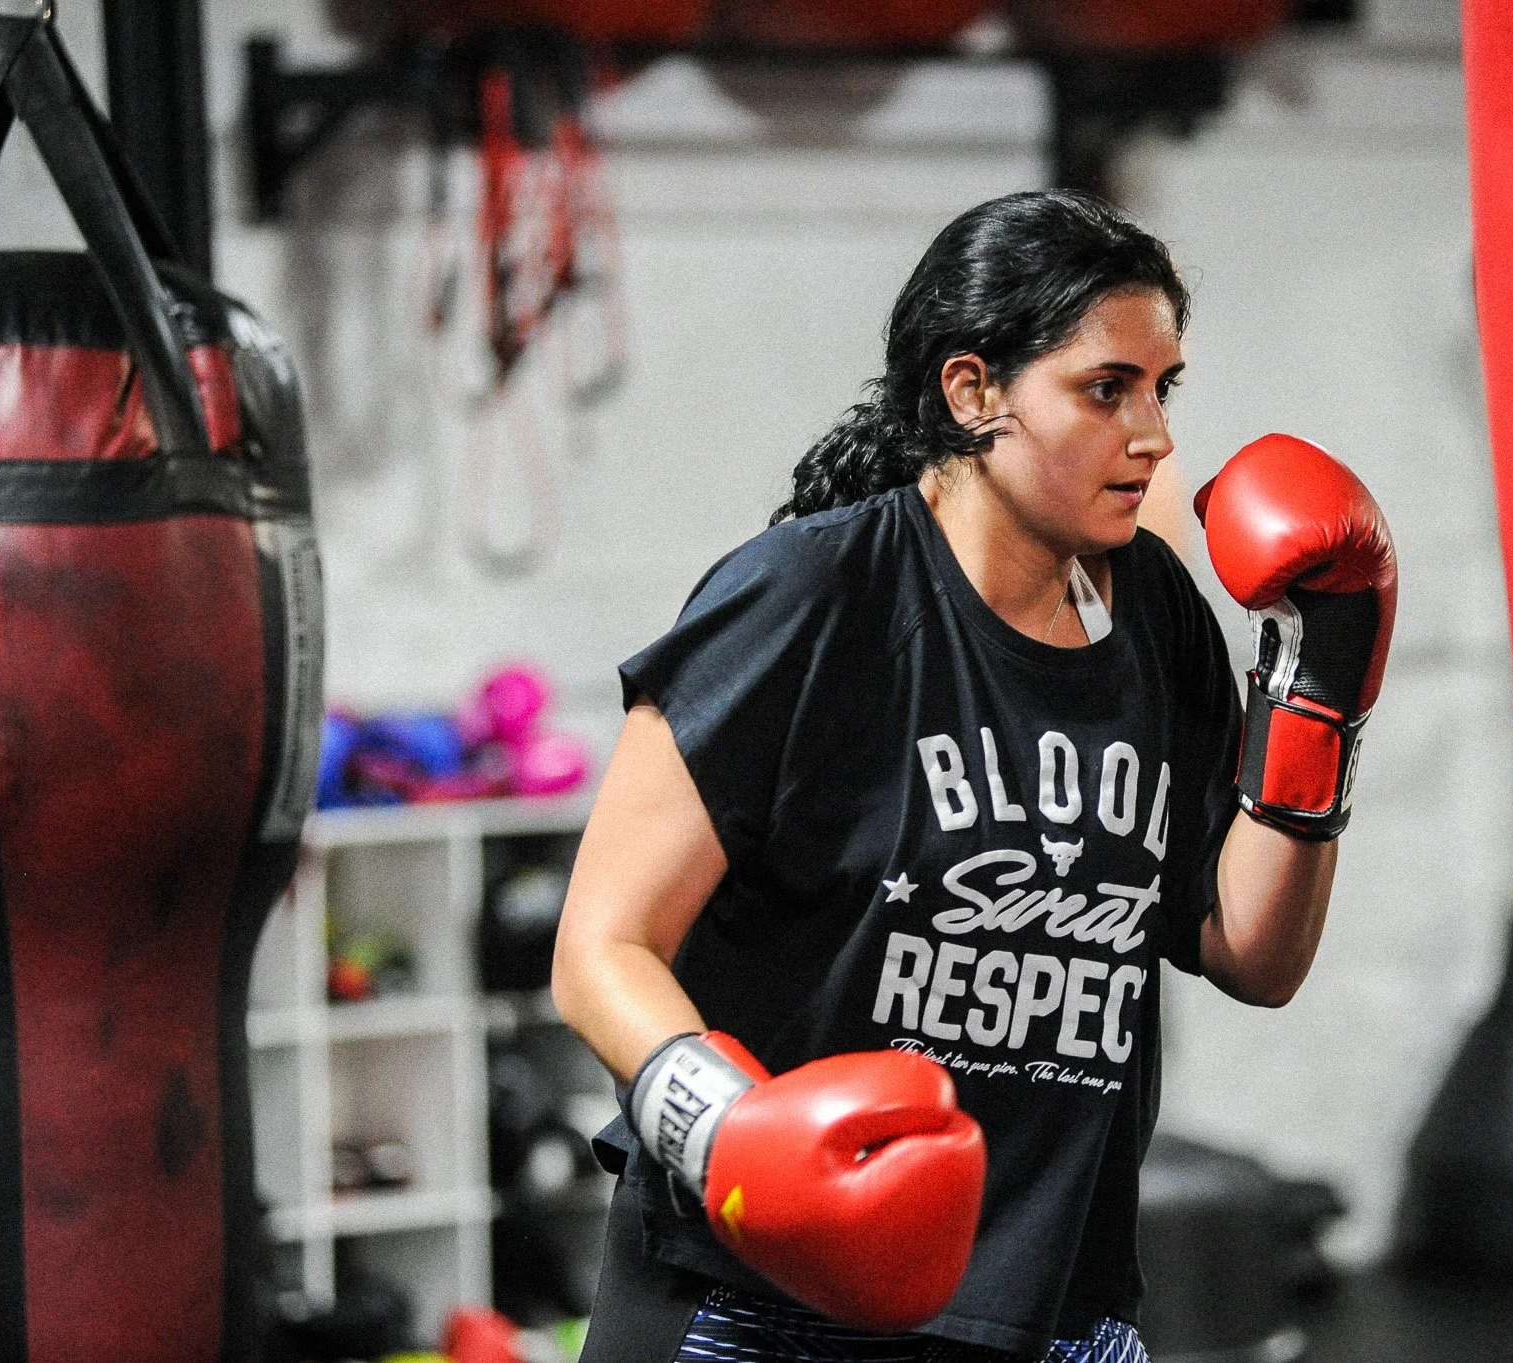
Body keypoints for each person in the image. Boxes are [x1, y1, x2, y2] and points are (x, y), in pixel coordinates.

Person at [552, 189, 1395, 1362]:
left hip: (1054, 1304)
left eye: (1164, 387)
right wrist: (729, 1132)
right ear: (972, 393)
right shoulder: (807, 598)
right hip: (763, 1297)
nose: (1150, 435)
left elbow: (1253, 952)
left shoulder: (1154, 612)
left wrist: (1320, 689)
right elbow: (599, 948)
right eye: (1106, 389)